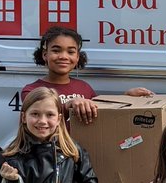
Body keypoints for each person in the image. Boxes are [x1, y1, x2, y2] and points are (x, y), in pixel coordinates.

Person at [20, 26, 151, 124]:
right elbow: (41, 115)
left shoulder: (84, 87)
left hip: (79, 155)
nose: (63, 56)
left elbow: (101, 111)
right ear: (45, 55)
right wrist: (70, 104)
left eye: (71, 52)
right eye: (56, 50)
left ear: (77, 57)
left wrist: (127, 98)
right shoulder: (31, 90)